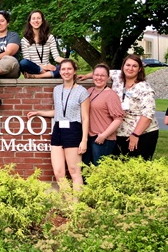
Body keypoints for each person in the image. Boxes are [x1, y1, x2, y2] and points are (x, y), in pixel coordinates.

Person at [27, 59, 89, 193]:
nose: (66, 72)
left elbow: (85, 117)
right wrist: (39, 112)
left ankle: (76, 206)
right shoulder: (57, 90)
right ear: (59, 72)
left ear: (74, 71)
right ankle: (68, 204)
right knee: (59, 172)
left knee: (74, 171)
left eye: (69, 69)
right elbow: (59, 112)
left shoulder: (82, 91)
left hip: (73, 130)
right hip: (58, 129)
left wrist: (84, 140)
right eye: (63, 69)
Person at [80, 54, 158, 159]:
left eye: (134, 66)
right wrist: (86, 76)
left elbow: (148, 115)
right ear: (123, 66)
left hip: (142, 134)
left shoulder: (145, 89)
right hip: (121, 132)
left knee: (137, 166)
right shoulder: (118, 76)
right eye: (128, 65)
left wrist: (135, 135)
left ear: (139, 69)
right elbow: (102, 72)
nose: (130, 68)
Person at [83, 64, 124, 166]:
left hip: (103, 139)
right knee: (87, 169)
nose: (99, 78)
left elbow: (118, 119)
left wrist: (104, 135)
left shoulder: (111, 95)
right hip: (89, 137)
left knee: (99, 169)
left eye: (102, 75)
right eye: (96, 75)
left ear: (108, 77)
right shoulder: (89, 91)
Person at [19, 10, 64, 79]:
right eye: (33, 18)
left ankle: (37, 76)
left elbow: (56, 57)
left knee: (64, 67)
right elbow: (27, 61)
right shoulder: (25, 40)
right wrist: (44, 67)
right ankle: (47, 74)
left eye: (38, 18)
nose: (36, 21)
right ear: (30, 22)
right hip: (34, 69)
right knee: (23, 63)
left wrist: (68, 62)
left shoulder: (50, 37)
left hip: (48, 68)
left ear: (42, 21)